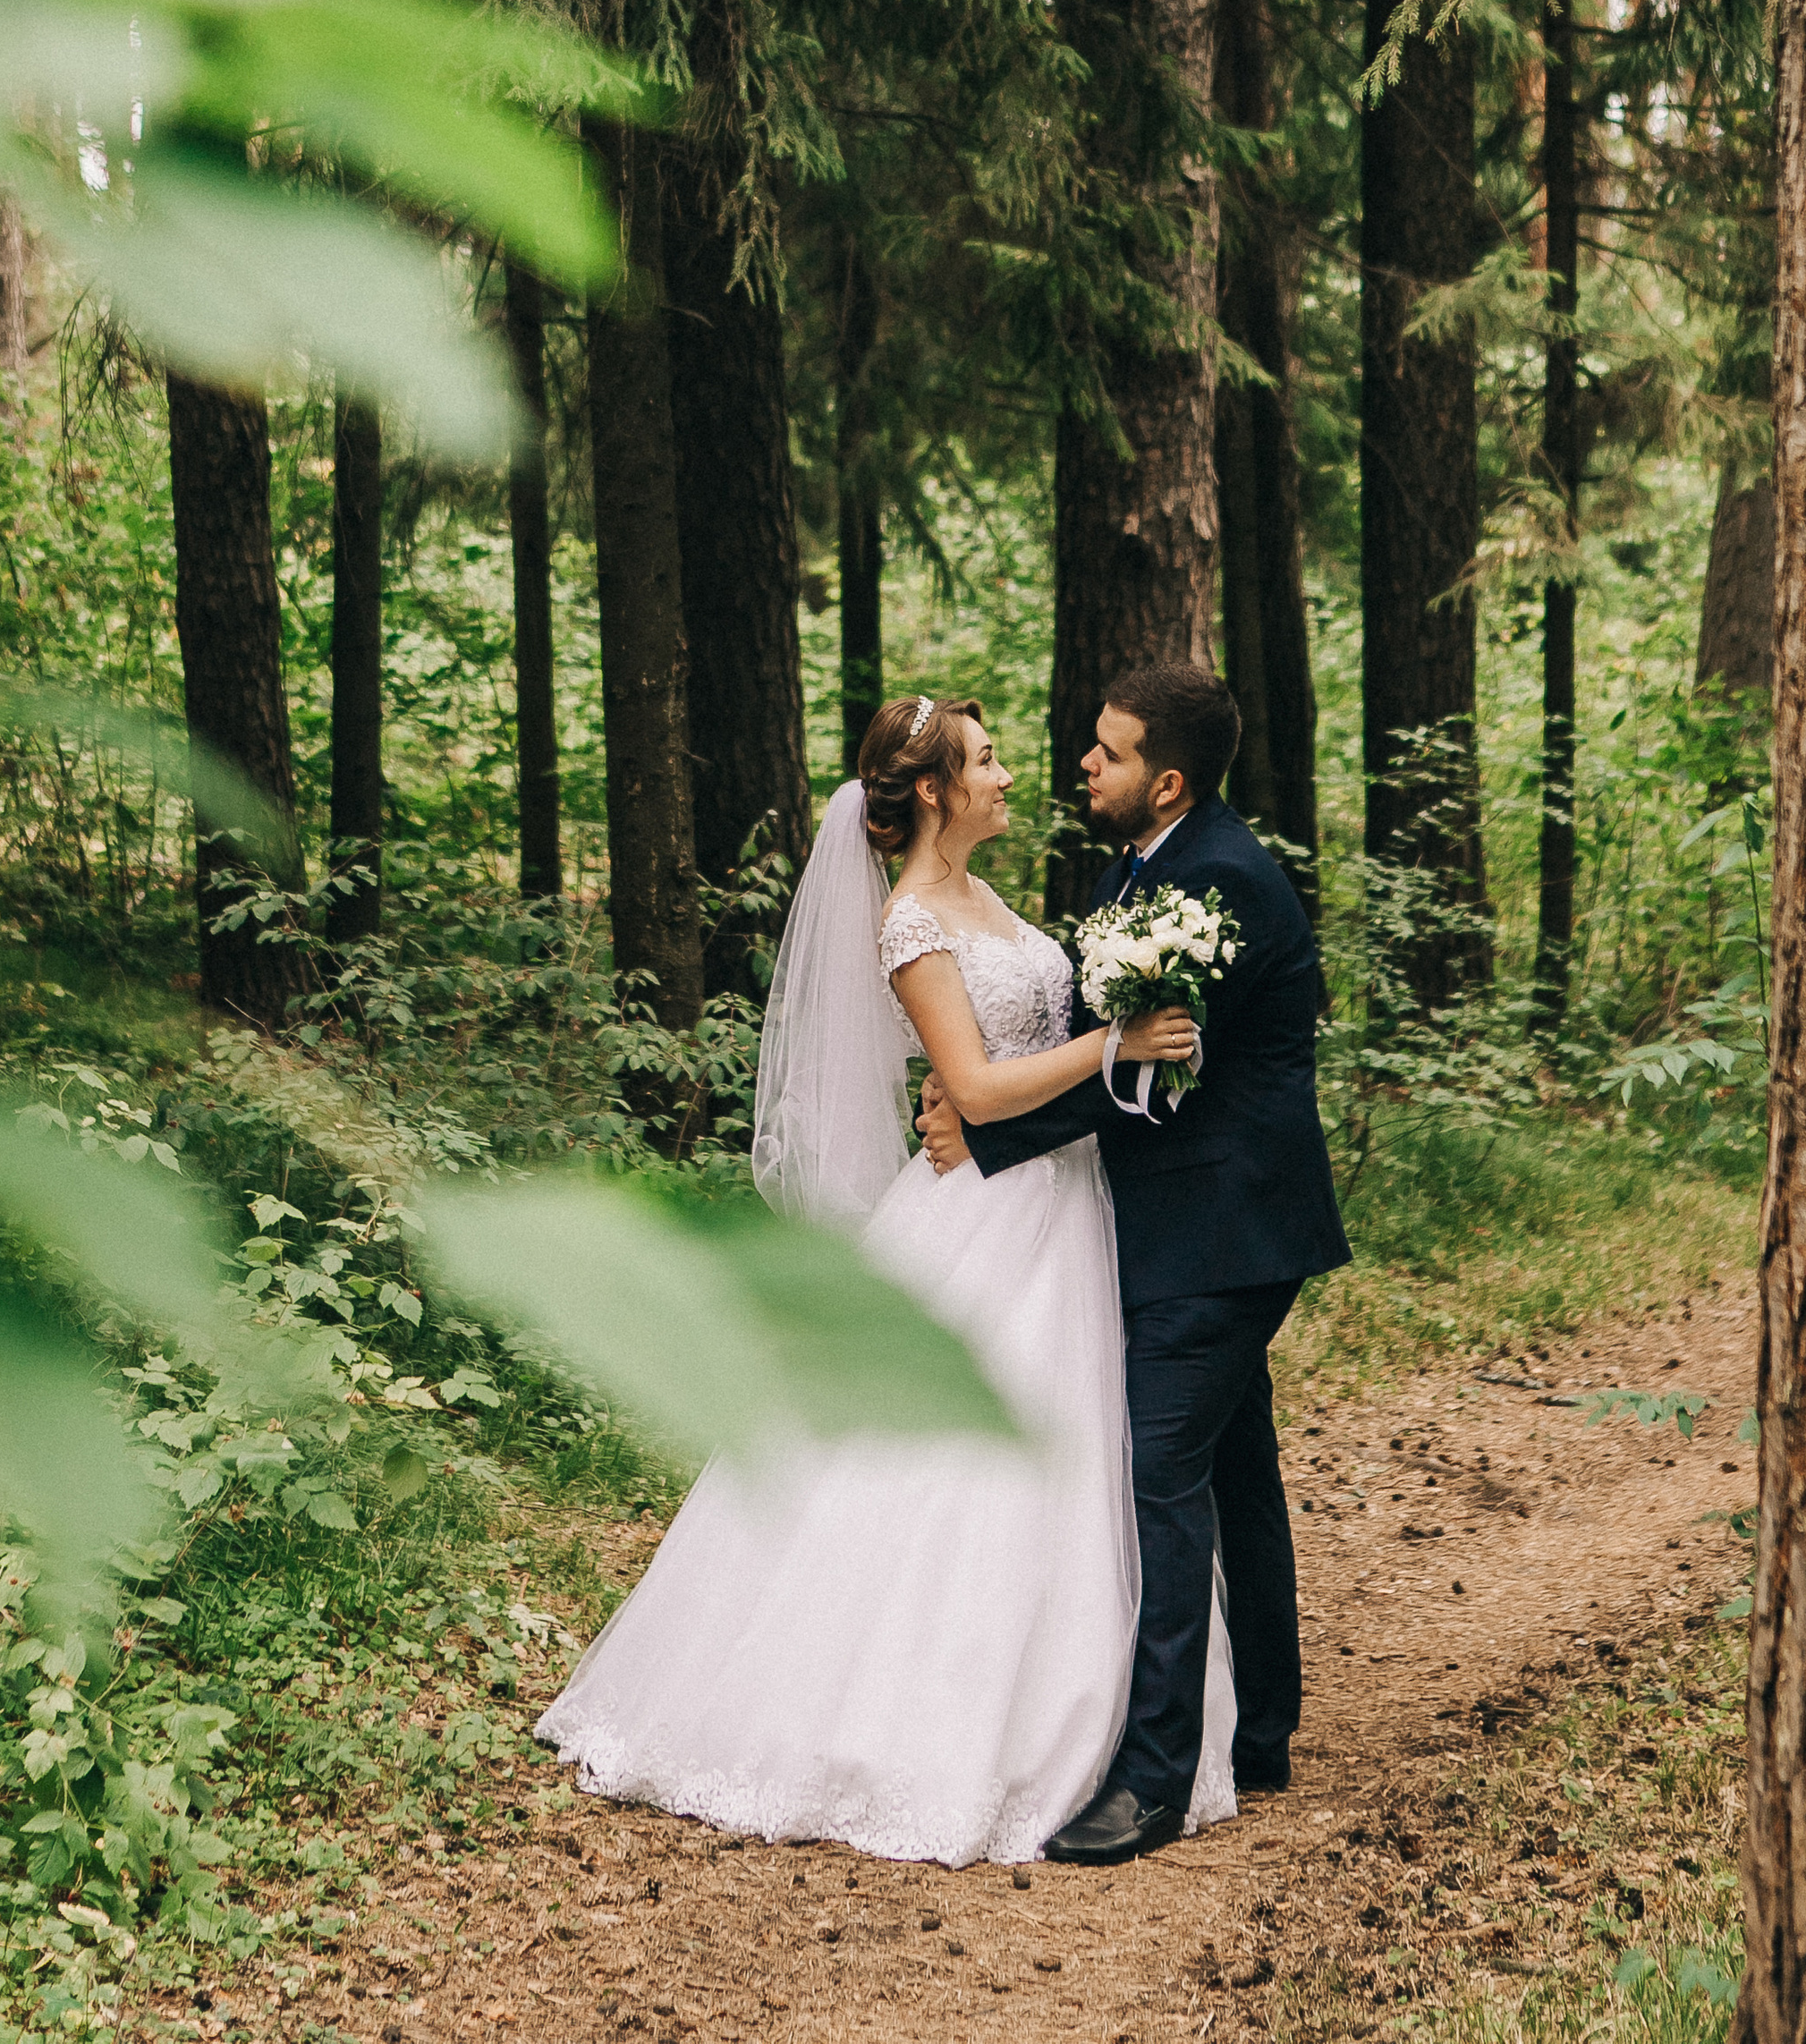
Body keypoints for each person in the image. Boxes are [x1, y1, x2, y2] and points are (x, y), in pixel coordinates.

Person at [534, 692, 1231, 1867]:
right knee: (946, 1464)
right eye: (986, 760)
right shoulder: (910, 921)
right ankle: (905, 1726)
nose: (1007, 774)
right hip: (985, 1210)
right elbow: (982, 1086)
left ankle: (1101, 1720)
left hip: (1064, 1203)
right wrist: (1115, 1045)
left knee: (1074, 1453)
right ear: (935, 792)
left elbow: (1010, 1055)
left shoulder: (987, 899)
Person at [918, 661, 1351, 1864]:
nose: (1083, 765)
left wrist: (987, 1132)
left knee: (1160, 1476)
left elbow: (1157, 1064)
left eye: (1106, 753)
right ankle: (1259, 1729)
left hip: (1222, 1228)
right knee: (1235, 1469)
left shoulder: (1219, 879)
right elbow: (1096, 1040)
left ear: (1165, 781)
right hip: (1195, 1220)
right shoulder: (1147, 867)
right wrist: (976, 1093)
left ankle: (1155, 1779)